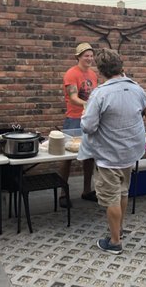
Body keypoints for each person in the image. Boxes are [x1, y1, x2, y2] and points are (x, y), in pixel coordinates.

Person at [78, 48, 146, 255]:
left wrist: (85, 114)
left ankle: (115, 242)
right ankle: (119, 229)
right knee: (123, 192)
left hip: (109, 156)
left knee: (111, 198)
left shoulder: (100, 94)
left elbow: (88, 127)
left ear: (101, 71)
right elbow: (143, 110)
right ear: (120, 66)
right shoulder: (137, 89)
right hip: (129, 153)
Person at [59, 42, 98, 207]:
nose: (89, 58)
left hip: (89, 118)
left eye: (91, 55)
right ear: (78, 57)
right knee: (67, 157)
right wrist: (89, 105)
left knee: (89, 156)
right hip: (74, 119)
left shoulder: (93, 74)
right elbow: (73, 97)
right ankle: (63, 194)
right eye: (86, 56)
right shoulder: (71, 74)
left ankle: (87, 191)